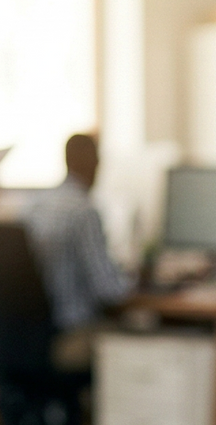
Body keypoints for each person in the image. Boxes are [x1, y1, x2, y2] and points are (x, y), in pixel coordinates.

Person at [20, 133, 132, 371]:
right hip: (70, 332)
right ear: (93, 163)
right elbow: (108, 291)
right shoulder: (84, 211)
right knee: (139, 334)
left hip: (29, 336)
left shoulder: (34, 205)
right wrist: (137, 280)